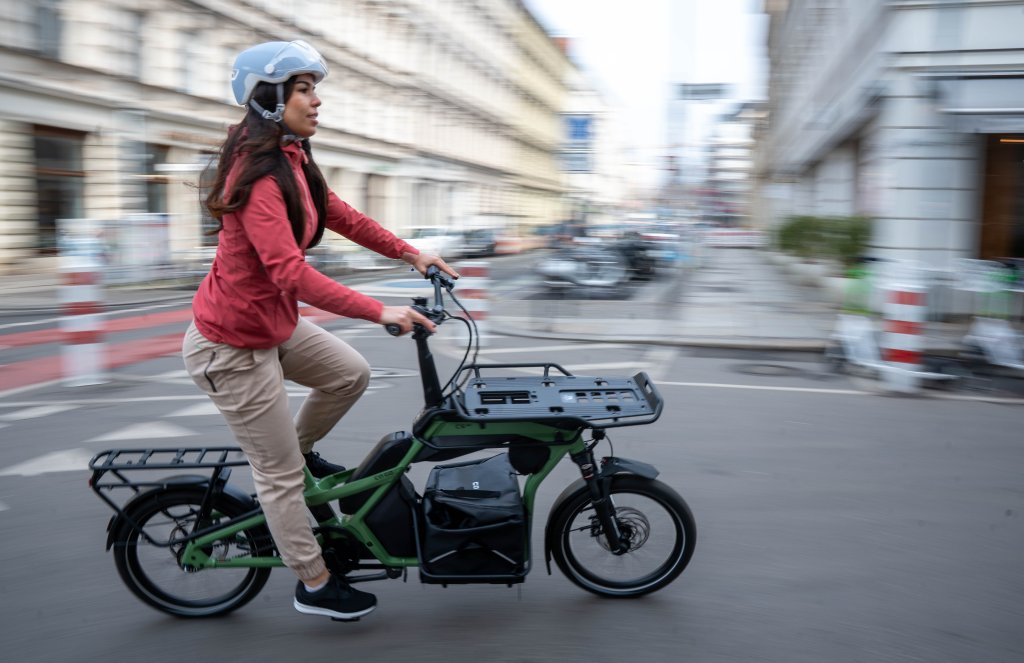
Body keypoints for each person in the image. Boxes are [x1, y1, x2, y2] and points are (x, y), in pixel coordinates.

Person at [182, 40, 459, 621]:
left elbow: (340, 214)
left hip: (271, 326)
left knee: (348, 374)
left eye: (313, 88)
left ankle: (301, 454)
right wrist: (377, 309)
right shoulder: (258, 177)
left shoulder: (293, 157)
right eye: (305, 89)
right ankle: (313, 581)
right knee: (277, 476)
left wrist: (410, 254)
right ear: (269, 97)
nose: (317, 101)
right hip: (230, 346)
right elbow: (289, 270)